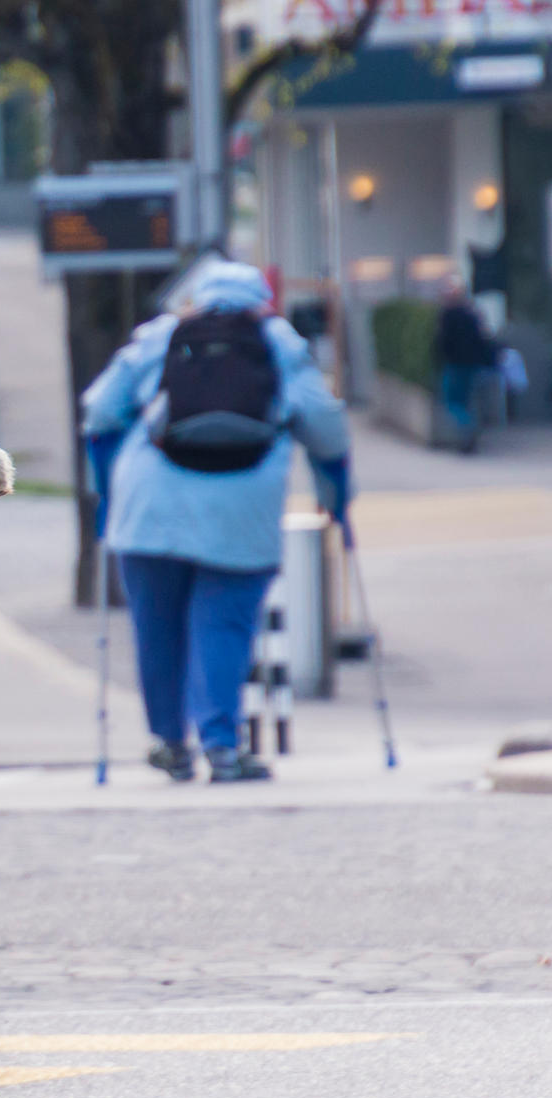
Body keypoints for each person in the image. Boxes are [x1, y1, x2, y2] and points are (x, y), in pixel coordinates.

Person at [82, 262, 351, 784]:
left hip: (148, 508)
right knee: (224, 625)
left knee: (156, 627)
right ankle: (222, 747)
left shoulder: (161, 336)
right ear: (262, 300)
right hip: (242, 508)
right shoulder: (280, 343)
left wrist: (105, 485)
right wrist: (336, 497)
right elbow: (326, 427)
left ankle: (170, 743)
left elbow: (99, 410)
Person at [433, 277, 499, 452]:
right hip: (472, 364)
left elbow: (443, 341)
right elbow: (482, 339)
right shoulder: (471, 314)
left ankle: (467, 429)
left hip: (455, 364)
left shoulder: (447, 315)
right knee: (466, 400)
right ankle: (469, 429)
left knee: (452, 401)